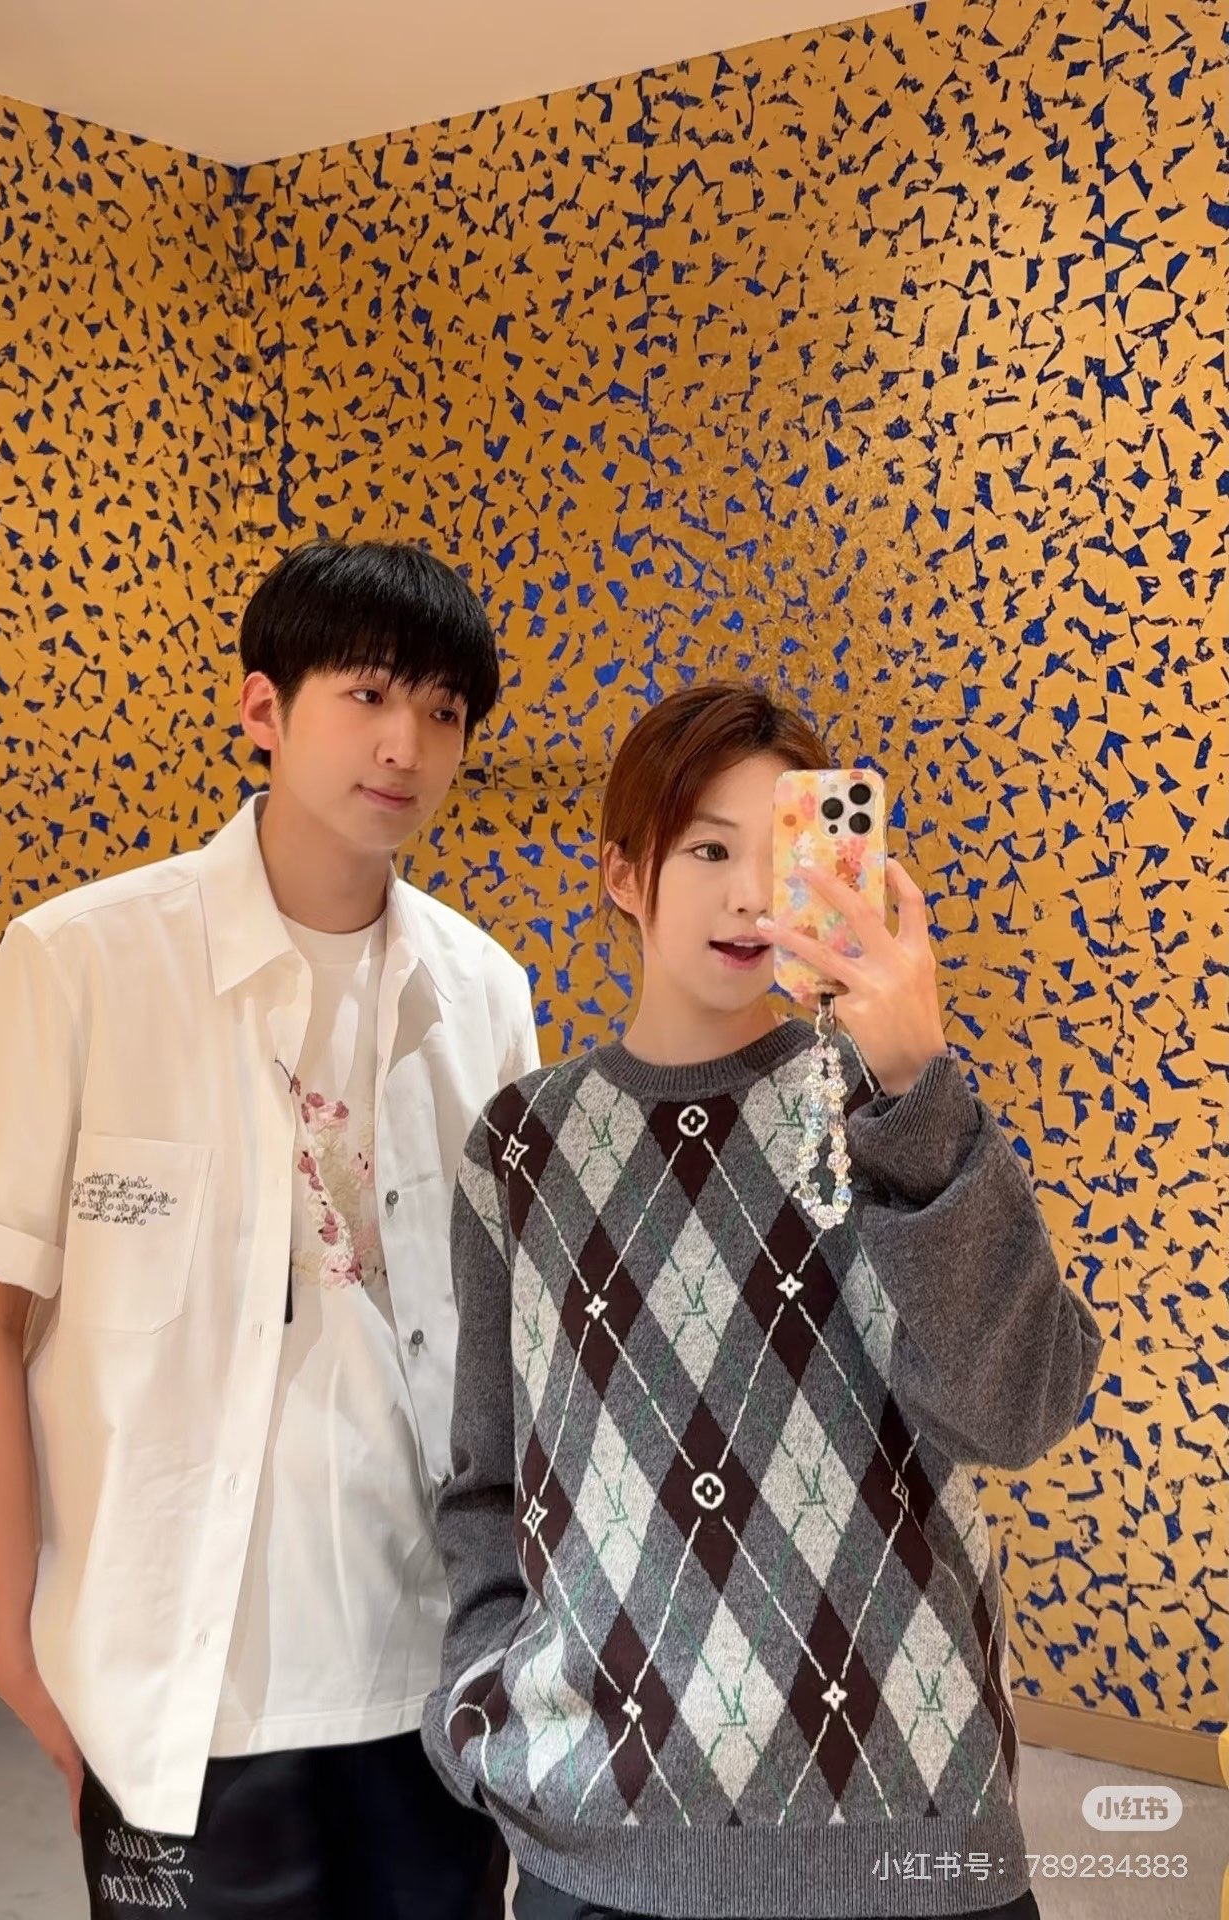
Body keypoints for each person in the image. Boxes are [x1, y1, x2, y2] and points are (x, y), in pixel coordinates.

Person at [0, 539, 538, 1919]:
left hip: (431, 1666)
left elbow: (509, 1340)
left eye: (443, 712)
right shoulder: (80, 961)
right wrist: (8, 1641)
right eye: (368, 694)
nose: (406, 744)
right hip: (177, 1690)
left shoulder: (483, 992)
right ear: (263, 710)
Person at [424, 681, 1103, 1920]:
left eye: (779, 852)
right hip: (603, 1845)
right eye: (707, 849)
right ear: (625, 874)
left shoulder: (891, 1106)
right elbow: (489, 1479)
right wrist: (485, 1711)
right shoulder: (524, 1146)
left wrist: (916, 1081)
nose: (749, 895)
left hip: (913, 1842)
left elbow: (1018, 1412)